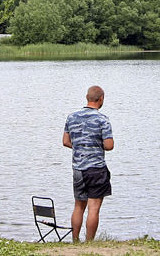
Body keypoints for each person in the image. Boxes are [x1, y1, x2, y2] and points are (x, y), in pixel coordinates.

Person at [62, 85, 114, 242]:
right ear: (101, 99)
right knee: (93, 208)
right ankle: (89, 243)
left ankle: (75, 240)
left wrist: (81, 146)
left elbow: (65, 141)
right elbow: (109, 145)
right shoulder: (102, 119)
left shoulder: (71, 117)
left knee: (79, 206)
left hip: (78, 168)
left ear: (87, 97)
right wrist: (94, 146)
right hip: (96, 169)